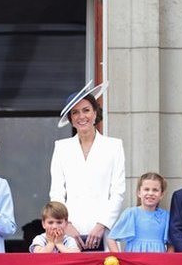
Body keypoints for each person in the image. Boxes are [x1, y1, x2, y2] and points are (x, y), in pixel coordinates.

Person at [49, 81, 125, 251]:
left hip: (104, 231)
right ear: (70, 119)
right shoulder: (61, 148)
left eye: (86, 110)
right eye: (75, 112)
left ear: (95, 112)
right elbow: (56, 192)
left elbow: (118, 192)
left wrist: (102, 225)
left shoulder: (114, 146)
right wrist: (66, 225)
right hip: (70, 231)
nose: (81, 116)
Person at [106, 172, 171, 253]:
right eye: (146, 189)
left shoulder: (166, 216)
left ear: (161, 194)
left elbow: (171, 244)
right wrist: (120, 259)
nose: (150, 193)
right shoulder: (131, 213)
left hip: (158, 262)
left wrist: (166, 261)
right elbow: (111, 239)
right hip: (134, 262)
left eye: (155, 190)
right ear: (139, 193)